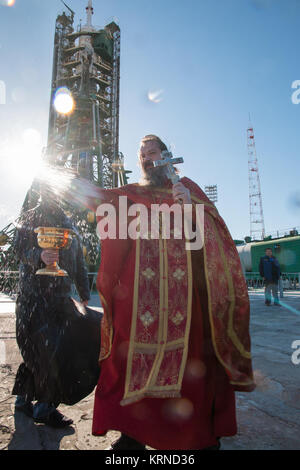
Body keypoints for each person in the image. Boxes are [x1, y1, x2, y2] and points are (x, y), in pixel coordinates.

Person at [92, 135, 255, 450]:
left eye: (152, 152)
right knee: (128, 359)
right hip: (138, 296)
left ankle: (191, 434)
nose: (146, 158)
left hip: (185, 295)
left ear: (167, 156)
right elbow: (104, 200)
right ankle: (133, 431)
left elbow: (213, 235)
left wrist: (191, 208)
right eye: (142, 155)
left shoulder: (188, 188)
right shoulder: (132, 194)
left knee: (191, 364)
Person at [12, 185, 101, 428]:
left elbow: (77, 261)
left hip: (60, 299)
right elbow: (18, 249)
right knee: (40, 348)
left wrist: (83, 291)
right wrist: (38, 256)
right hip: (33, 297)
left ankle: (27, 400)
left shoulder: (68, 223)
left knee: (55, 346)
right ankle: (43, 405)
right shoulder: (29, 217)